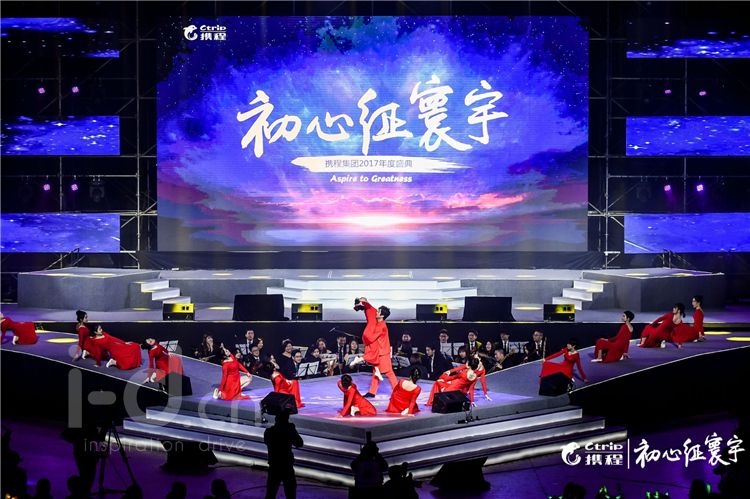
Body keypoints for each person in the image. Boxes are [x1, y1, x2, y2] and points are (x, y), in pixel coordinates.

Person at [350, 297, 397, 397]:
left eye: (378, 311)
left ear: (382, 315)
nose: (376, 312)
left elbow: (371, 338)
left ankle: (397, 392)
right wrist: (364, 305)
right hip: (379, 352)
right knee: (376, 371)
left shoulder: (381, 326)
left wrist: (365, 337)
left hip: (383, 353)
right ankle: (372, 392)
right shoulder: (379, 323)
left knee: (389, 373)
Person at [264, 410, 303, 499]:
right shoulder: (289, 430)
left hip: (274, 465)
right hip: (286, 466)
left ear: (276, 419)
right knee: (290, 494)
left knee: (270, 494)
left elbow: (268, 441)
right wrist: (292, 429)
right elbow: (299, 443)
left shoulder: (269, 432)